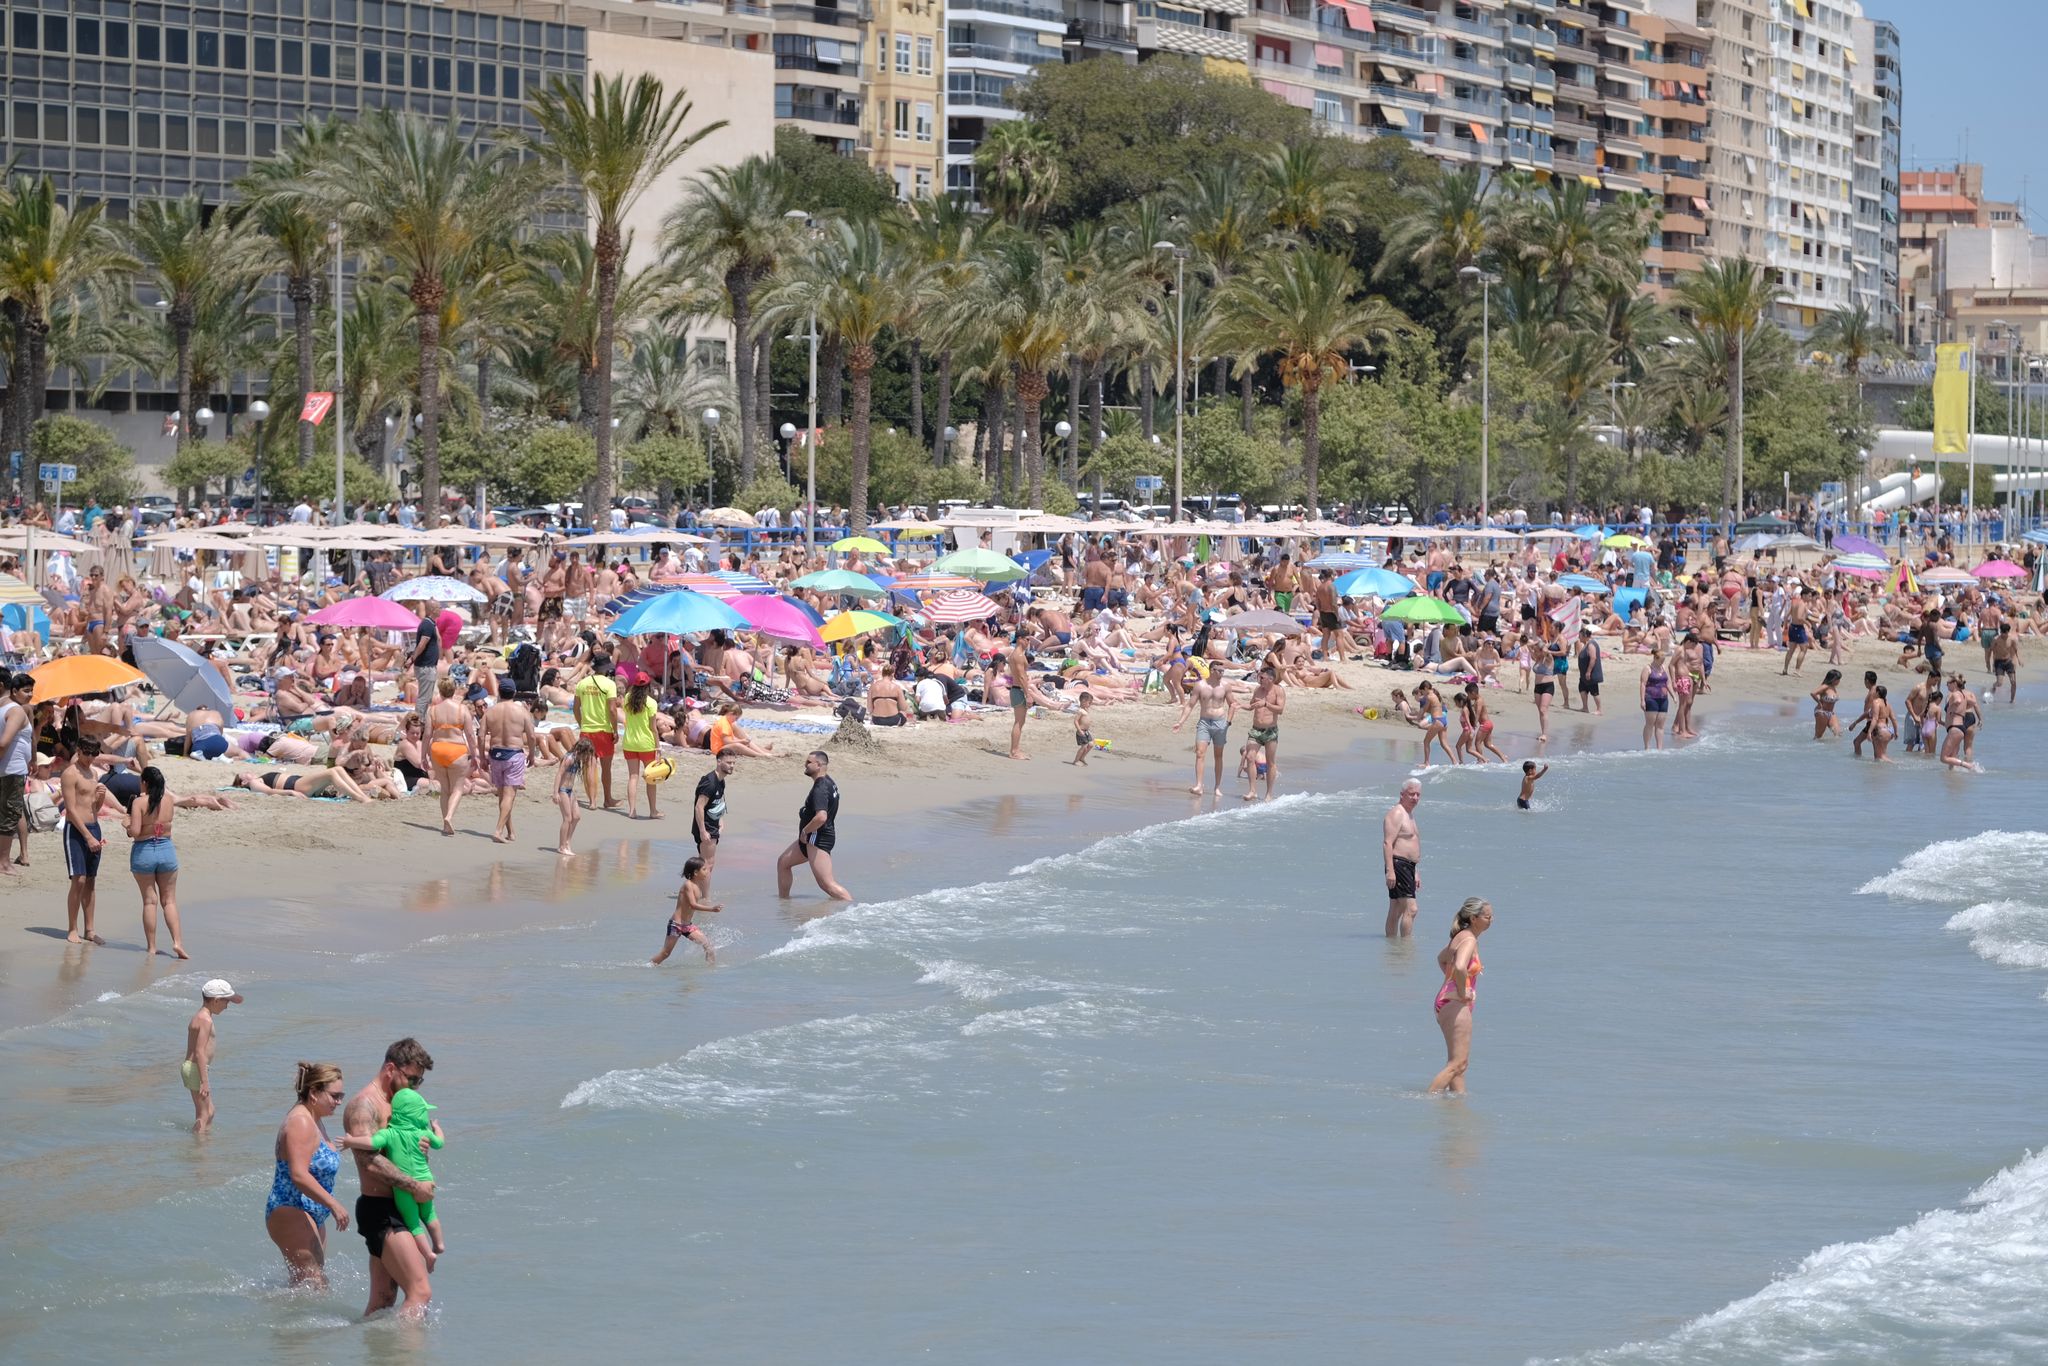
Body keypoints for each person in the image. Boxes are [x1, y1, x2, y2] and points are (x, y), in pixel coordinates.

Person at [344, 1038, 437, 1321]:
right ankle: (407, 1357)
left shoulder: (398, 1104)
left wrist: (423, 1150)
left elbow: (404, 1154)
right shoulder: (364, 1106)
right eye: (411, 1079)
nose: (414, 1087)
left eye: (418, 1082)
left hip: (398, 1206)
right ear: (390, 1068)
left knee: (382, 1302)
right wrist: (415, 1186)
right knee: (420, 1291)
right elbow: (369, 1161)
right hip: (380, 1209)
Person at [339, 1087, 445, 1272]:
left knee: (413, 1223)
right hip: (426, 1181)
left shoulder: (389, 1133)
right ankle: (439, 1244)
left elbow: (371, 1143)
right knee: (429, 1215)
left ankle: (428, 1253)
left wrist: (350, 1141)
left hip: (403, 1189)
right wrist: (436, 1129)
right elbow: (440, 1143)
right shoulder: (424, 1134)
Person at [266, 1061, 352, 1290]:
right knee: (315, 1286)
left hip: (311, 1212)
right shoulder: (301, 1121)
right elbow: (298, 1175)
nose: (339, 1101)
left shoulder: (315, 1119)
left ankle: (286, 1320)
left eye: (341, 1095)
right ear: (314, 1092)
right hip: (291, 1208)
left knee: (307, 1286)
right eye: (335, 1095)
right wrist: (334, 1205)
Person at [1428, 898, 1494, 1096]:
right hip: (1455, 1002)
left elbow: (1442, 959)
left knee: (1458, 1065)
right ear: (1474, 918)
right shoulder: (1469, 939)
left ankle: (1458, 1107)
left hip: (1446, 1001)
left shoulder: (1461, 936)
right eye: (1488, 917)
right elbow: (1458, 966)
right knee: (1458, 1064)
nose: (1492, 920)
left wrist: (1451, 983)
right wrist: (1462, 988)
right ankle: (1426, 1101)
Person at [127, 765, 186, 958]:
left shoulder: (138, 802)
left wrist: (126, 825)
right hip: (166, 850)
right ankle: (177, 943)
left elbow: (135, 831)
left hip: (144, 851)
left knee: (149, 902)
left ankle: (151, 947)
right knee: (169, 901)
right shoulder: (168, 800)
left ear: (144, 782)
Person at [776, 750, 852, 901]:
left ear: (818, 765)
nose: (805, 765)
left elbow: (821, 817)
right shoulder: (828, 781)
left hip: (817, 837)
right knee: (783, 862)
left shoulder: (821, 788)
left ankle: (852, 910)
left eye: (808, 762)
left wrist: (805, 831)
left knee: (826, 884)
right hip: (812, 837)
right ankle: (784, 903)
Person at [61, 734, 108, 946]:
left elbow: (94, 809)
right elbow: (70, 809)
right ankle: (73, 928)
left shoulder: (93, 773)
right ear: (78, 751)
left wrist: (101, 798)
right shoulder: (70, 774)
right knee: (78, 880)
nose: (90, 758)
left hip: (93, 827)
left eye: (94, 754)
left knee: (90, 880)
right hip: (76, 831)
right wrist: (87, 837)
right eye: (86, 753)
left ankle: (90, 929)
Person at [180, 978, 241, 1132]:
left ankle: (202, 1142)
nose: (227, 1007)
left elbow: (239, 999)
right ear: (216, 1001)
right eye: (226, 1002)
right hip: (195, 1068)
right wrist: (204, 1081)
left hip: (193, 1068)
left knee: (209, 1111)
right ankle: (198, 1150)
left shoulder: (201, 1016)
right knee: (204, 1114)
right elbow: (200, 1051)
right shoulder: (205, 1020)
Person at [481, 679, 535, 844]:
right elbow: (532, 736)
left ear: (499, 692)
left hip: (496, 754)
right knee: (509, 795)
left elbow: (481, 735)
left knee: (503, 796)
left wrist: (482, 757)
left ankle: (510, 831)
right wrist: (532, 754)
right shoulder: (522, 711)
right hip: (513, 754)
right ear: (513, 693)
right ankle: (498, 831)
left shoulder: (489, 712)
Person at [1173, 668, 1238, 795]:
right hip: (1204, 722)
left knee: (1218, 756)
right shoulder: (1200, 685)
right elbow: (1190, 705)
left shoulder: (1225, 685)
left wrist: (1228, 722)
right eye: (1220, 671)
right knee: (1200, 753)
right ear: (1212, 670)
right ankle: (1198, 785)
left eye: (1223, 671)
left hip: (1220, 723)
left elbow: (1233, 704)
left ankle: (1217, 787)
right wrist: (1180, 722)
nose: (1222, 673)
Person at [426, 677, 474, 837]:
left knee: (445, 789)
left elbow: (426, 735)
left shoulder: (432, 710)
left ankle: (445, 824)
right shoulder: (462, 709)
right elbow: (469, 734)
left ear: (440, 691)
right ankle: (449, 817)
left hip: (438, 748)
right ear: (454, 691)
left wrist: (423, 756)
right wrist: (473, 753)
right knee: (458, 788)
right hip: (457, 749)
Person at [652, 855, 722, 964]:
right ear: (695, 873)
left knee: (709, 948)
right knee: (665, 953)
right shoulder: (688, 885)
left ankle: (711, 972)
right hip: (676, 925)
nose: (707, 871)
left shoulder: (698, 885)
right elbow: (692, 905)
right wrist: (712, 909)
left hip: (687, 926)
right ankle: (649, 966)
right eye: (704, 869)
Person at [573, 654, 621, 809]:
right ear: (606, 669)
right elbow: (613, 710)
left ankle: (592, 801)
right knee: (606, 768)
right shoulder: (609, 684)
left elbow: (575, 708)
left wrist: (582, 724)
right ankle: (607, 799)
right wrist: (615, 730)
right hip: (604, 730)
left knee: (589, 766)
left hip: (587, 730)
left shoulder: (582, 683)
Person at [1, 671, 35, 877]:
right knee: (11, 813)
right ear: (12, 690)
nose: (30, 694)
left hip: (15, 767)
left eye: (32, 691)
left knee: (13, 811)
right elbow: (4, 742)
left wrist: (34, 759)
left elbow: (30, 739)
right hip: (12, 770)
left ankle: (22, 853)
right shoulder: (14, 710)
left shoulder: (20, 709)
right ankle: (4, 862)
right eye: (26, 690)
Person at [619, 670, 663, 820]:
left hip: (629, 743)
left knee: (633, 777)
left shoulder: (627, 699)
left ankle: (632, 810)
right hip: (646, 744)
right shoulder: (651, 703)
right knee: (651, 778)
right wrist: (658, 747)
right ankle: (653, 811)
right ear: (648, 686)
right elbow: (653, 728)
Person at [1383, 778, 1422, 938]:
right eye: (1411, 794)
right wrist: (1390, 871)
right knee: (1411, 909)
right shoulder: (1397, 813)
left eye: (1418, 795)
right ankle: (1405, 946)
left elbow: (1410, 843)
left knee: (1397, 908)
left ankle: (1391, 946)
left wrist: (1415, 871)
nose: (1415, 798)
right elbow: (1387, 843)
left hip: (1408, 866)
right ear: (1402, 794)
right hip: (1398, 865)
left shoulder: (1409, 814)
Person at [1241, 666, 1286, 802]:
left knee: (1270, 762)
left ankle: (1269, 794)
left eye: (1262, 677)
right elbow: (1251, 706)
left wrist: (1266, 704)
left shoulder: (1279, 690)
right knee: (1250, 757)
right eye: (1259, 677)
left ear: (1270, 679)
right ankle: (1252, 791)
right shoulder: (1257, 690)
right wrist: (1239, 705)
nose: (1258, 679)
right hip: (1255, 730)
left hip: (1270, 731)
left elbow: (1280, 710)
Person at [693, 751, 734, 875]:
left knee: (703, 864)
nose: (731, 765)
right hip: (706, 827)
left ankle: (693, 891)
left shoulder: (721, 780)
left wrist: (720, 818)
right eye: (728, 762)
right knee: (707, 865)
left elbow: (717, 800)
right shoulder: (710, 782)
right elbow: (699, 807)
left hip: (712, 825)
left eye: (733, 763)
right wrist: (702, 831)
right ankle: (704, 895)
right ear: (719, 762)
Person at [554, 737, 594, 858]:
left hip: (570, 791)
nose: (588, 757)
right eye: (588, 753)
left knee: (576, 817)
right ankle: (561, 846)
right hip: (562, 790)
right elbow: (559, 774)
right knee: (567, 818)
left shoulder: (577, 759)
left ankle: (567, 842)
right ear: (583, 750)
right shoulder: (570, 758)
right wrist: (555, 793)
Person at [408, 607, 441, 719]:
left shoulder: (431, 624)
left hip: (429, 665)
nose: (441, 609)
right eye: (438, 607)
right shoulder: (427, 625)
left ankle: (421, 720)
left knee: (427, 697)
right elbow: (422, 644)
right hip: (425, 666)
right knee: (424, 697)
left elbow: (438, 640)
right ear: (432, 610)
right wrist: (412, 659)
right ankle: (418, 722)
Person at [1005, 632, 1033, 760]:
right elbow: (1021, 676)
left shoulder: (1017, 654)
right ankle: (1014, 751)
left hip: (1018, 688)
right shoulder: (1018, 655)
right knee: (1019, 722)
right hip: (1019, 689)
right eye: (1027, 639)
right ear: (1020, 639)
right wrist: (1028, 695)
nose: (1028, 642)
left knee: (1021, 721)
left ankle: (1016, 749)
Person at [1640, 649, 1671, 751]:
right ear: (1655, 658)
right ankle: (1647, 747)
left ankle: (1659, 748)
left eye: (1664, 660)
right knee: (1650, 724)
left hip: (1663, 699)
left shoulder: (1664, 667)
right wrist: (1642, 700)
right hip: (1651, 698)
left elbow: (1668, 683)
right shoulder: (1647, 668)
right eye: (1661, 660)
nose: (1662, 662)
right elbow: (1643, 684)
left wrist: (1673, 696)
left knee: (1660, 725)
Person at [1811, 668, 1843, 740]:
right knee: (1818, 736)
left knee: (1838, 733)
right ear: (1833, 679)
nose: (1839, 681)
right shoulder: (1825, 686)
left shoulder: (1833, 687)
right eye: (1838, 679)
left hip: (1831, 713)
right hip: (1821, 712)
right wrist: (1819, 703)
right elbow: (1813, 693)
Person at [1069, 691, 1095, 766]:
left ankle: (1082, 758)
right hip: (1081, 731)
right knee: (1084, 746)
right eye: (1089, 703)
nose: (1090, 704)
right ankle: (1076, 760)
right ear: (1083, 701)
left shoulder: (1086, 710)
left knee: (1091, 744)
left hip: (1086, 731)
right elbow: (1076, 721)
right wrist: (1079, 730)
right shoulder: (1080, 711)